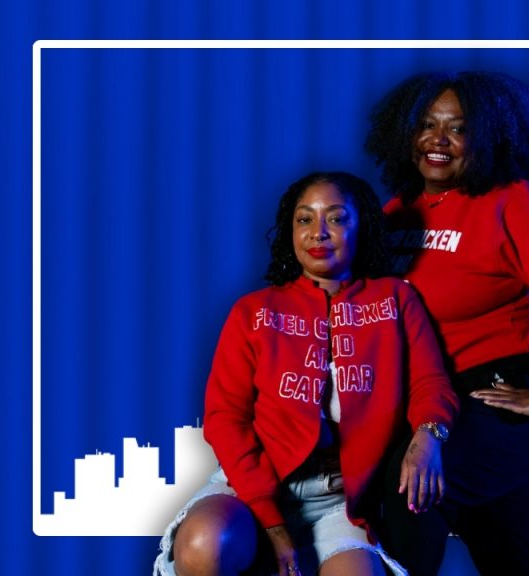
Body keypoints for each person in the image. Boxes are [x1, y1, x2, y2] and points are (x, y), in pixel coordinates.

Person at [365, 71, 529, 575]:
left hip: (500, 391)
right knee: (503, 523)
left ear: (488, 139)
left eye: (458, 129)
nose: (437, 140)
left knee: (412, 488)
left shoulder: (511, 201)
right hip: (433, 399)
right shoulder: (397, 214)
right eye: (426, 125)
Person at [154, 171, 459, 576]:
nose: (319, 232)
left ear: (361, 226)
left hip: (339, 499)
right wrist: (273, 523)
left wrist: (429, 433)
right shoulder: (254, 311)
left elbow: (430, 383)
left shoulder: (396, 300)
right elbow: (225, 419)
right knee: (204, 544)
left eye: (336, 218)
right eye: (304, 219)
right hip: (253, 486)